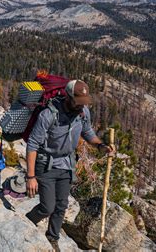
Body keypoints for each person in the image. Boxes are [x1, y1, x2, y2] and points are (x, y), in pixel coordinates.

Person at [25, 80, 115, 252]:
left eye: (84, 102)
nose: (82, 106)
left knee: (61, 205)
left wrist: (100, 146)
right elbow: (33, 144)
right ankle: (26, 221)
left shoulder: (83, 112)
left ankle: (52, 237)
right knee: (47, 207)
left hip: (66, 164)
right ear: (68, 97)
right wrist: (30, 176)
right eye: (78, 102)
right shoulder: (48, 115)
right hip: (46, 165)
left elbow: (87, 132)